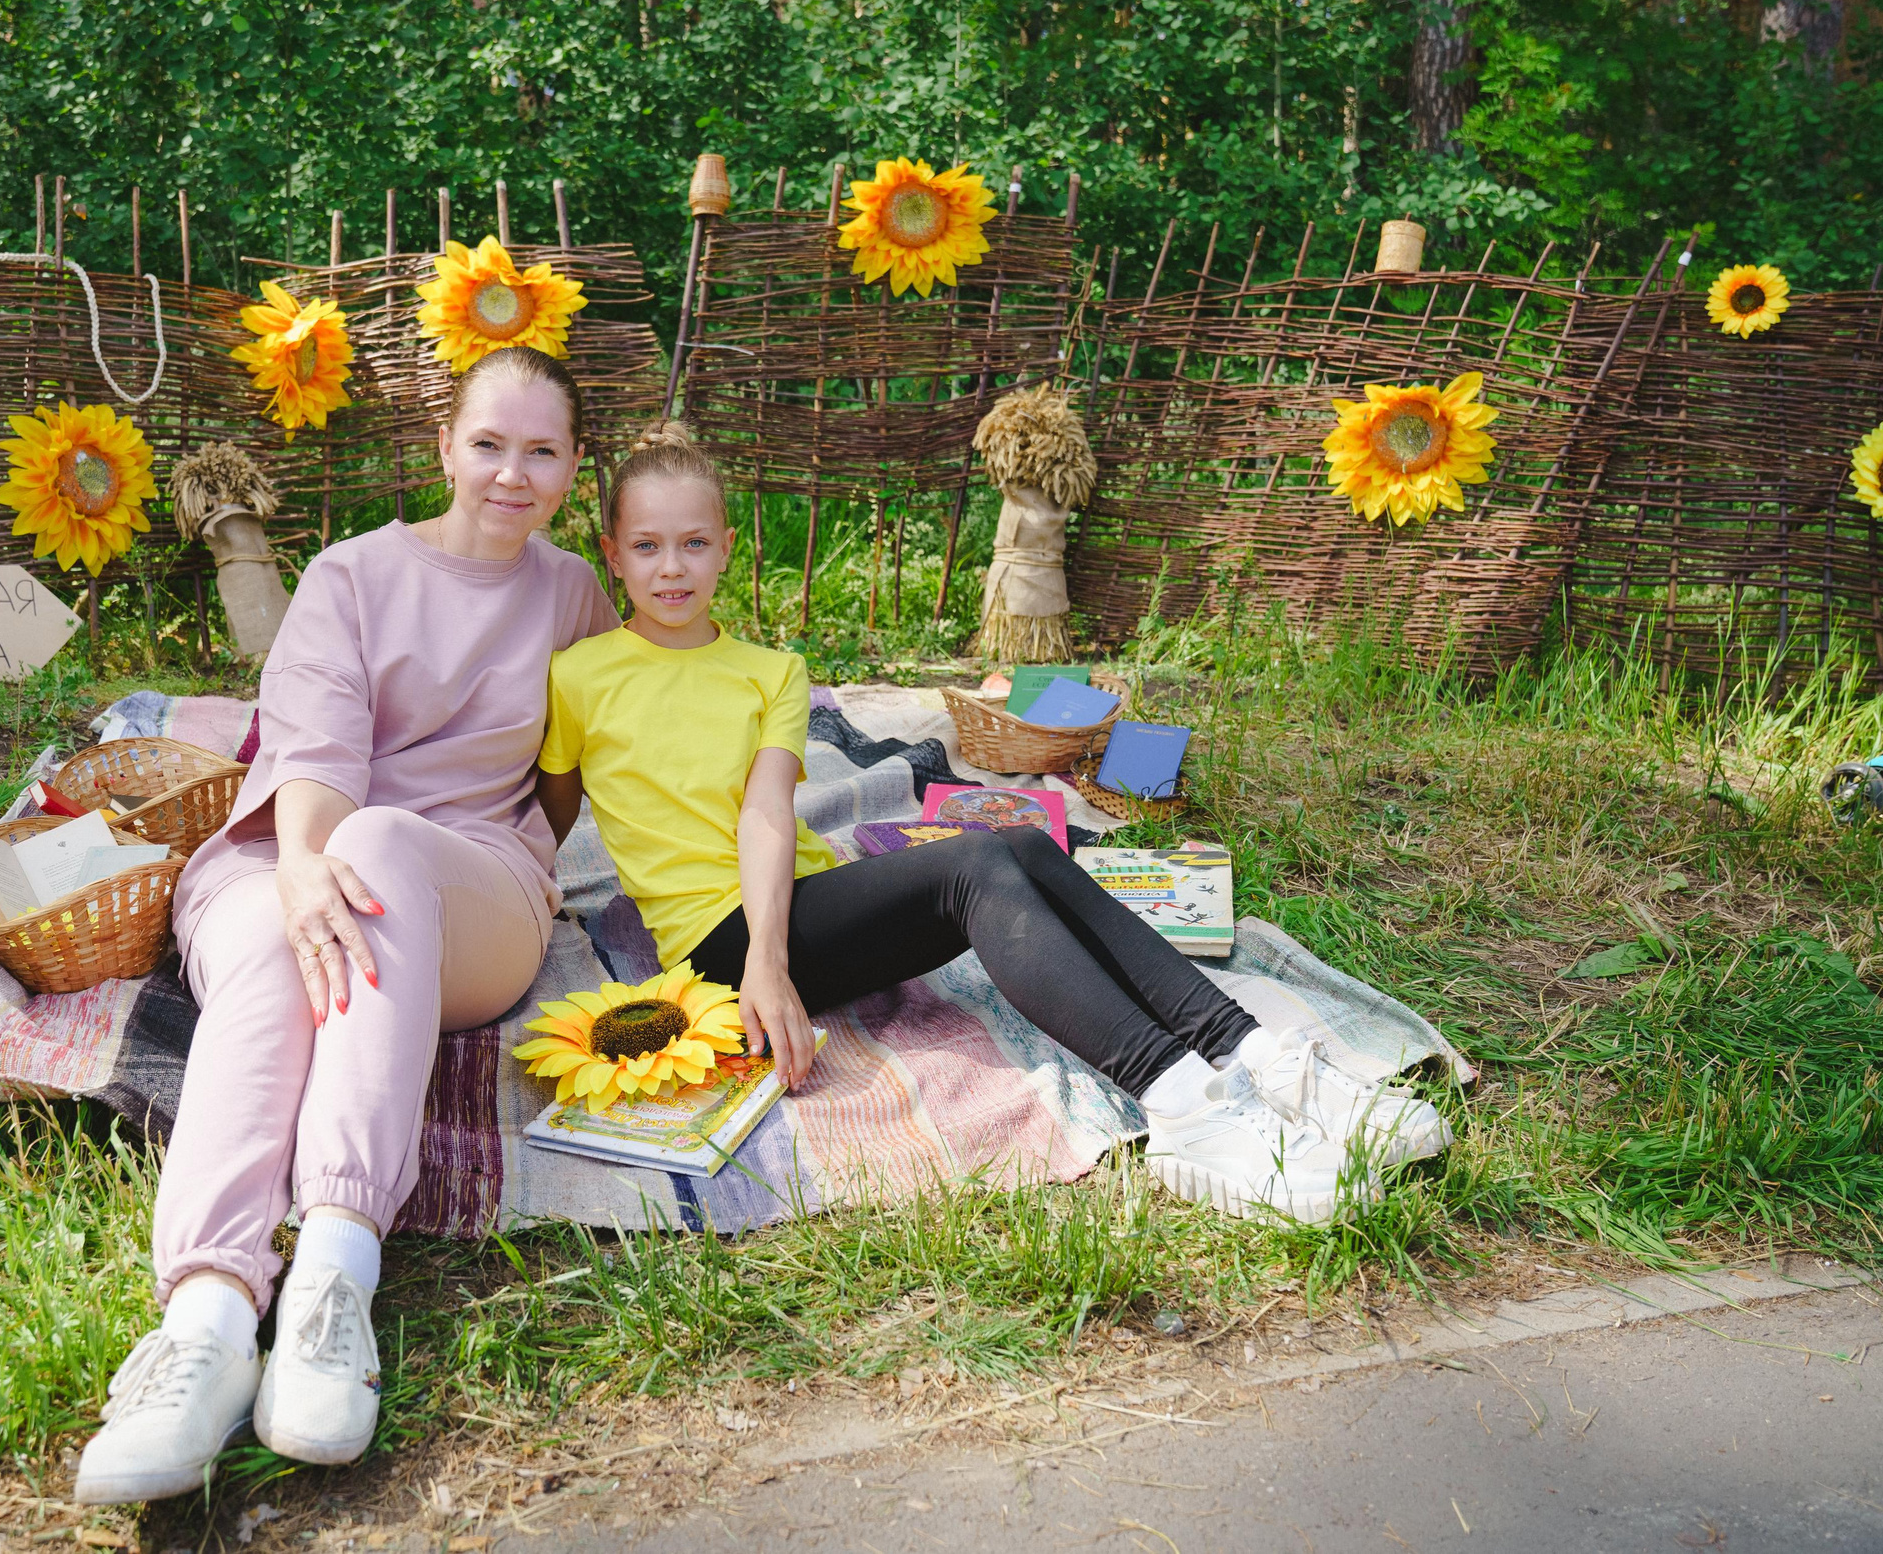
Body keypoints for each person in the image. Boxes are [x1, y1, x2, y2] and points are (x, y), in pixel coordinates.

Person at [534, 422, 1446, 1227]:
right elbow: (555, 811)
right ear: (612, 553)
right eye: (648, 545)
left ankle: (1253, 1052)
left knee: (1015, 843)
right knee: (974, 869)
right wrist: (743, 959)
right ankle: (1184, 1107)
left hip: (791, 913)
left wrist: (779, 951)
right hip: (721, 949)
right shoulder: (581, 677)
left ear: (728, 547)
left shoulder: (770, 669)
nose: (671, 566)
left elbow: (769, 809)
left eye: (693, 542)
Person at [73, 348, 619, 1504]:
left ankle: (331, 1275)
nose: (510, 474)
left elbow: (574, 771)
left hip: (469, 890)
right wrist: (305, 865)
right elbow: (314, 749)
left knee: (375, 852)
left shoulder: (573, 593)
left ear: (573, 468)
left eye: (541, 451)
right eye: (488, 443)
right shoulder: (350, 573)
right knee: (282, 945)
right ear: (443, 448)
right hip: (289, 842)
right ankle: (208, 1324)